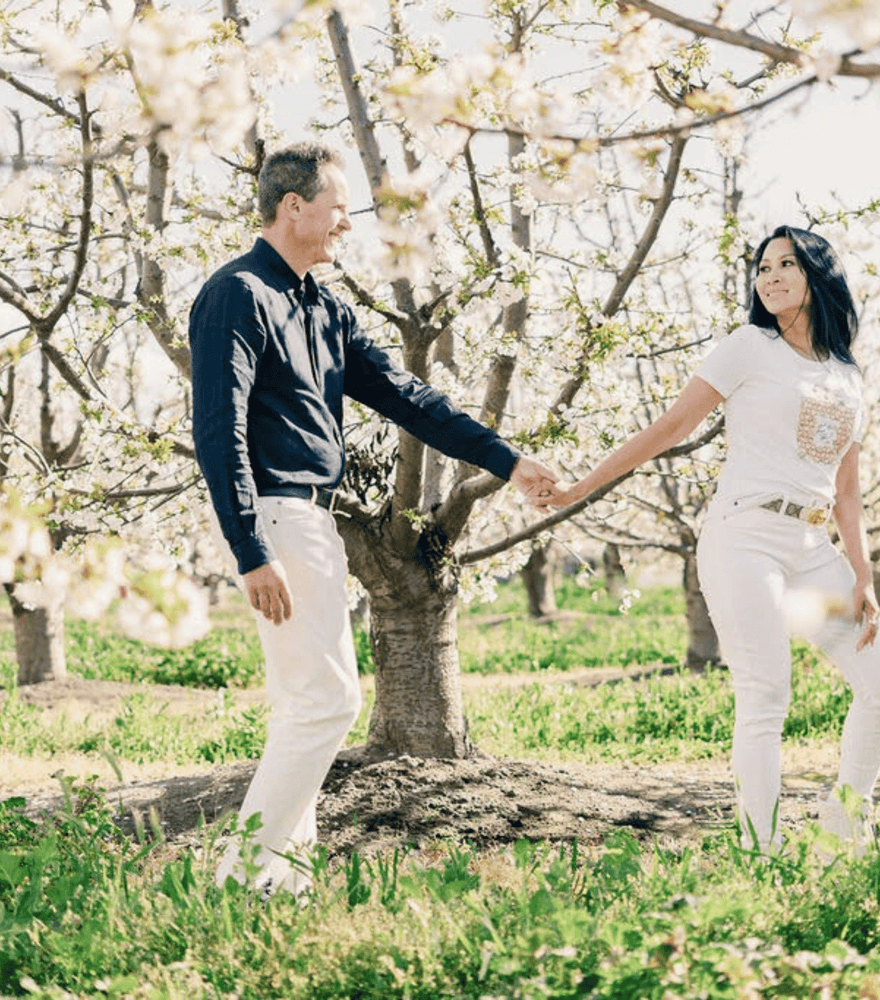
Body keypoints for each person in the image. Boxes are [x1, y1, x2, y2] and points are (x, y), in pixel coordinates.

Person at [189, 142, 556, 896]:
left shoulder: (323, 308)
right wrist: (248, 546)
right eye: (339, 208)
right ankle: (240, 881)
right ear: (294, 208)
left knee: (304, 705)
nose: (347, 225)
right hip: (279, 516)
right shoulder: (237, 294)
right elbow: (217, 426)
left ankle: (279, 887)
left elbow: (410, 399)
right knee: (330, 701)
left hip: (313, 521)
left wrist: (507, 460)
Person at [537, 226, 880, 855]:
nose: (770, 276)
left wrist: (863, 575)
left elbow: (847, 488)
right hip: (745, 538)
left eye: (787, 264)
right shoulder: (749, 347)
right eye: (763, 266)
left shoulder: (848, 375)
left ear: (819, 276)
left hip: (814, 549)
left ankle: (844, 828)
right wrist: (579, 488)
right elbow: (673, 426)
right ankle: (761, 852)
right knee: (766, 694)